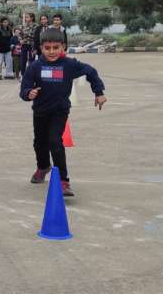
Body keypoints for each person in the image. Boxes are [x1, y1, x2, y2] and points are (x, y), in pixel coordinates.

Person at [20, 28, 107, 197]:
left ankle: (63, 180)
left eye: (55, 47)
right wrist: (28, 94)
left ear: (63, 47)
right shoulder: (35, 67)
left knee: (55, 141)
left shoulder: (69, 64)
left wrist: (99, 92)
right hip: (40, 112)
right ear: (41, 48)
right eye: (47, 48)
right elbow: (24, 89)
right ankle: (43, 166)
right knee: (39, 143)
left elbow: (90, 71)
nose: (51, 51)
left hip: (60, 111)